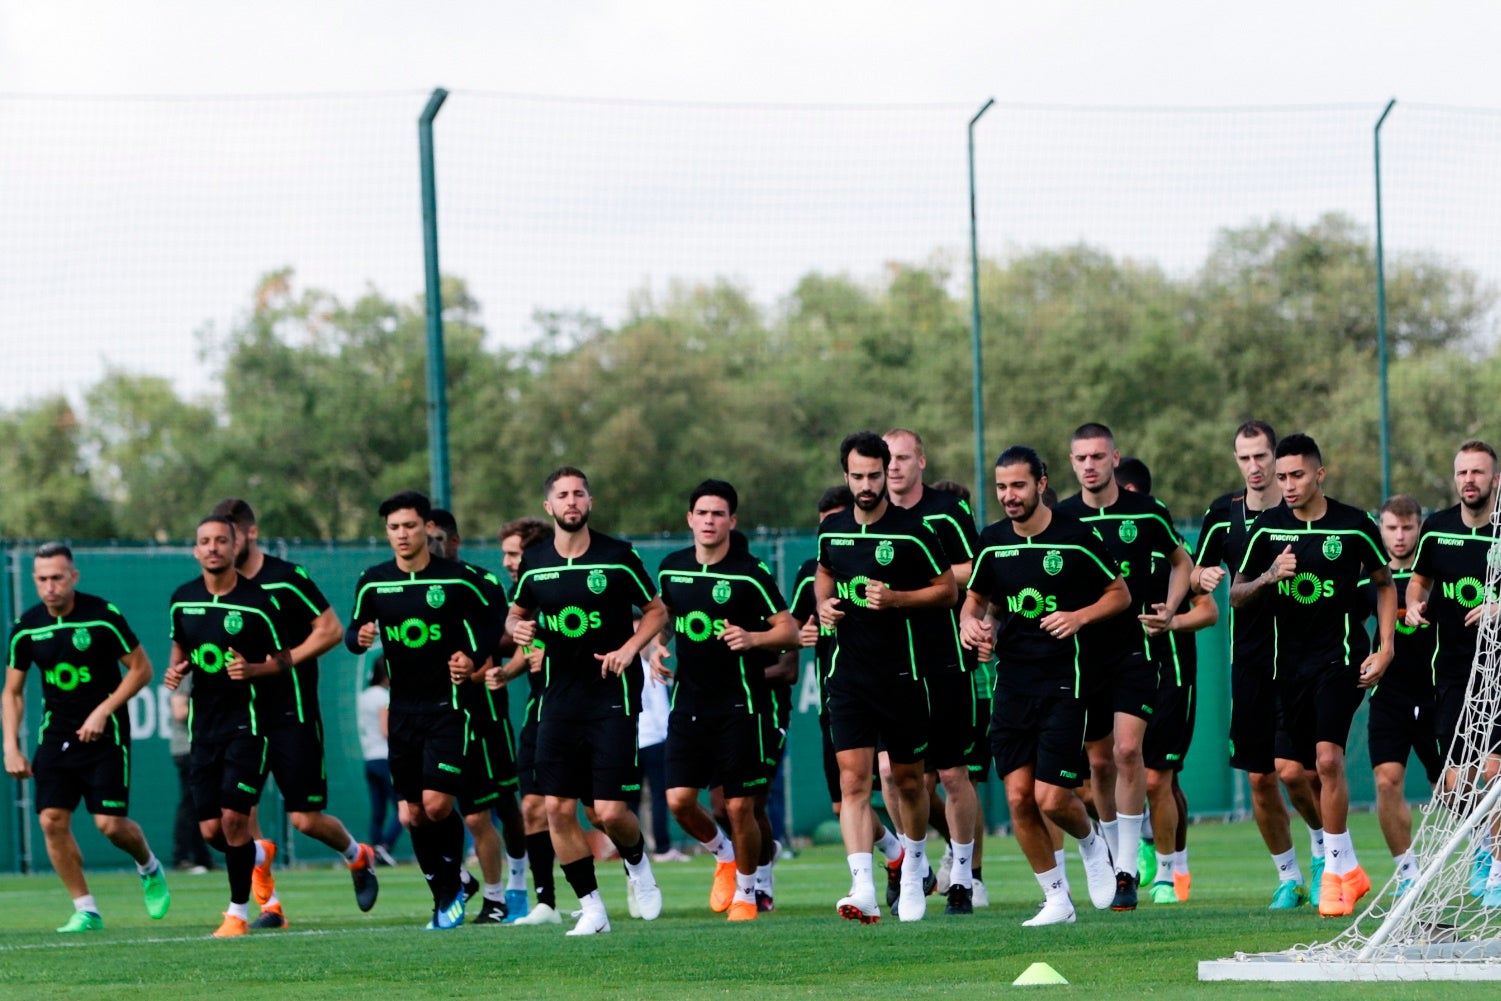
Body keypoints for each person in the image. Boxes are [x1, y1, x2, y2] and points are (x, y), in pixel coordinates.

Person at [958, 445, 1125, 926]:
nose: (1009, 496)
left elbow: (1120, 593)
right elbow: (975, 602)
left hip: (1064, 683)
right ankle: (1056, 899)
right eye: (1002, 487)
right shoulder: (991, 542)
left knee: (1051, 797)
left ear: (1042, 483)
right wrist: (971, 626)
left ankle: (1093, 843)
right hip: (1012, 683)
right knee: (1016, 799)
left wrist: (1079, 616)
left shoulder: (1076, 538)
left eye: (1018, 486)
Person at [1231, 432, 1395, 918]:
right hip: (1287, 668)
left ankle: (1334, 874)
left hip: (1340, 660)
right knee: (1287, 772)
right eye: (1281, 477)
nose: (1287, 484)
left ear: (1319, 473)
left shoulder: (1354, 525)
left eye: (1296, 475)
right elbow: (1237, 594)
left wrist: (1386, 648)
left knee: (1326, 761)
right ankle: (1347, 864)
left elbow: (1385, 586)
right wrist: (1267, 577)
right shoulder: (1267, 530)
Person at [505, 467, 669, 936]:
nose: (571, 501)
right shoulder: (534, 561)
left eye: (579, 493)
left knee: (610, 811)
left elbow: (656, 609)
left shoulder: (618, 556)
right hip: (558, 701)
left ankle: (638, 865)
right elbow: (516, 616)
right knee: (556, 808)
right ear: (549, 507)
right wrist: (517, 630)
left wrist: (629, 648)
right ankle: (592, 908)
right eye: (562, 495)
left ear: (590, 502)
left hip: (612, 697)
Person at [210, 498, 377, 928]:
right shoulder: (216, 591)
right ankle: (271, 906)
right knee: (237, 816)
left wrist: (278, 663)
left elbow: (332, 630)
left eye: (228, 538)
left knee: (305, 820)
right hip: (241, 718)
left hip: (291, 713)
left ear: (248, 534)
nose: (221, 547)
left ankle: (357, 856)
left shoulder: (285, 579)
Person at [815, 431, 957, 923]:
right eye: (858, 476)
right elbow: (825, 571)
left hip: (904, 675)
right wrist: (823, 604)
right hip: (848, 678)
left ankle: (915, 867)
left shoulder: (914, 530)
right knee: (854, 782)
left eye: (875, 474)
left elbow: (948, 591)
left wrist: (897, 599)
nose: (867, 483)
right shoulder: (832, 530)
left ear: (886, 473)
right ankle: (863, 888)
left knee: (910, 782)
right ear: (846, 476)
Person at [1054, 423, 1192, 910]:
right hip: (1081, 658)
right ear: (1071, 464)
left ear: (1115, 457)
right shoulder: (1060, 518)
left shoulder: (1147, 512)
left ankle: (1130, 870)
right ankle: (1112, 858)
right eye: (1081, 458)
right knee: (1097, 764)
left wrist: (1172, 609)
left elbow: (1182, 562)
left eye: (1098, 456)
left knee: (1130, 752)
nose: (1089, 465)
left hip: (1135, 652)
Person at [345, 490, 497, 930]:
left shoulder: (459, 578)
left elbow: (495, 616)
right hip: (404, 712)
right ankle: (448, 890)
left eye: (409, 526)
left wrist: (473, 655)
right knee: (410, 812)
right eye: (393, 527)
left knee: (435, 804)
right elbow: (352, 630)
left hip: (449, 709)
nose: (402, 534)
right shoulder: (373, 581)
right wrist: (360, 638)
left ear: (426, 528)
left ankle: (452, 885)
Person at [1192, 419, 1326, 909]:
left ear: (1278, 459)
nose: (1254, 466)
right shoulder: (1222, 515)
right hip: (1248, 663)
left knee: (1299, 772)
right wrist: (1198, 578)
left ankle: (1324, 848)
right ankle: (1288, 876)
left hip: (1302, 661)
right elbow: (1195, 574)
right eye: (1244, 458)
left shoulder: (1304, 514)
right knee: (1259, 777)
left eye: (1261, 457)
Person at [3, 542, 171, 932]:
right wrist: (10, 746)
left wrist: (103, 710)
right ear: (34, 580)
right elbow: (11, 692)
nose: (50, 587)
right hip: (56, 736)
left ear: (73, 577)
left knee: (110, 825)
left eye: (58, 578)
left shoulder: (102, 616)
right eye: (42, 579)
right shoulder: (27, 627)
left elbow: (141, 670)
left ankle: (148, 865)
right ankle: (86, 909)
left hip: (106, 735)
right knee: (51, 821)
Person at [653, 480, 798, 922]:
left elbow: (789, 631)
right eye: (703, 513)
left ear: (732, 521)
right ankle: (724, 856)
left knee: (738, 805)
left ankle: (749, 894)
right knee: (679, 801)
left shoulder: (750, 572)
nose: (710, 521)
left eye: (719, 514)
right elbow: (663, 619)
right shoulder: (671, 569)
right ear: (690, 519)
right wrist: (657, 647)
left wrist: (754, 637)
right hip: (687, 705)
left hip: (740, 705)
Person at [163, 515, 289, 937]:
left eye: (221, 540)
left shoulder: (258, 601)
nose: (213, 547)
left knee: (235, 820)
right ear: (196, 550)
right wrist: (176, 671)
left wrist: (253, 669)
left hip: (248, 726)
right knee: (212, 830)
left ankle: (236, 913)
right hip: (204, 730)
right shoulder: (182, 599)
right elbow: (181, 645)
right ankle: (258, 855)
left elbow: (284, 660)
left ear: (235, 546)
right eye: (205, 541)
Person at [883, 429, 984, 916]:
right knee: (895, 774)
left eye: (903, 457)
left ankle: (964, 876)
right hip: (891, 663)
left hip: (945, 658)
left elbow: (974, 569)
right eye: (888, 459)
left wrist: (921, 575)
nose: (894, 467)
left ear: (921, 460)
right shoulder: (872, 517)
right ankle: (914, 865)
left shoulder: (948, 510)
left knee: (952, 773)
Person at [1116, 456, 1218, 903]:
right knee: (1116, 769)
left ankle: (1169, 871)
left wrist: (1171, 623)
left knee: (1160, 779)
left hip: (1172, 675)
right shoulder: (1096, 547)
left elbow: (1210, 611)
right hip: (1118, 674)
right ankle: (1131, 853)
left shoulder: (1170, 551)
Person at [1405, 440, 1501, 900]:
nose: (1469, 480)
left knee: (1493, 773)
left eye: (1478, 472)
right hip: (1451, 674)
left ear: (1494, 480)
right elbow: (1418, 580)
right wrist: (1411, 606)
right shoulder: (1437, 528)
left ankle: (1496, 873)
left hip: (1498, 675)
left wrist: (1500, 606)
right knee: (1452, 782)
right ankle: (1483, 843)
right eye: (1463, 472)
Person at [426, 510, 530, 926]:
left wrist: (483, 664)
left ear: (452, 542)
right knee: (419, 810)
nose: (424, 544)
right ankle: (464, 880)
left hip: (482, 715)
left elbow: (500, 636)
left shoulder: (474, 583)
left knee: (497, 806)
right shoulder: (407, 587)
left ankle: (510, 891)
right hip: (431, 717)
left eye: (433, 538)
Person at [488, 515, 563, 925]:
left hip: (583, 708)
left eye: (513, 554)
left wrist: (553, 654)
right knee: (532, 805)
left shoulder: (562, 583)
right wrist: (508, 671)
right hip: (541, 707)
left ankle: (635, 870)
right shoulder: (521, 596)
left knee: (604, 812)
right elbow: (528, 644)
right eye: (505, 554)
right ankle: (546, 903)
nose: (507, 562)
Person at [1363, 495, 1439, 895]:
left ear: (1419, 527)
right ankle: (1407, 872)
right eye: (1392, 527)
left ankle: (1484, 852)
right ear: (1380, 528)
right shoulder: (1370, 577)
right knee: (1387, 781)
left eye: (1408, 528)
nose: (1400, 536)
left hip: (1437, 696)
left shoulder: (1436, 575)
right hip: (1389, 696)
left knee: (1454, 787)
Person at [358, 654, 402, 865]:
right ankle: (384, 846)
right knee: (403, 807)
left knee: (378, 810)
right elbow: (386, 730)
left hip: (370, 758)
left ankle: (374, 850)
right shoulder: (383, 697)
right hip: (385, 758)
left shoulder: (364, 695)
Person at [169, 674, 214, 873]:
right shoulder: (186, 674)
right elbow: (179, 710)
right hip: (187, 748)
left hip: (205, 746)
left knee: (202, 803)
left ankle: (203, 857)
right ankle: (182, 857)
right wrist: (215, 710)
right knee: (190, 803)